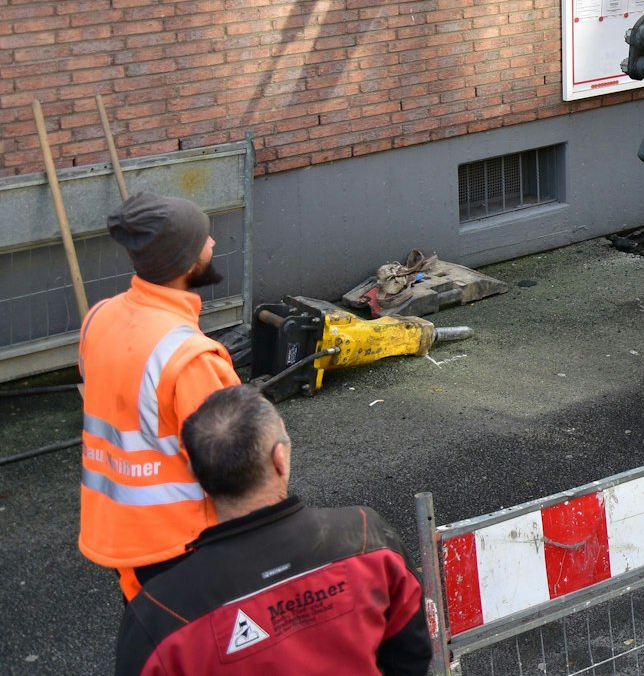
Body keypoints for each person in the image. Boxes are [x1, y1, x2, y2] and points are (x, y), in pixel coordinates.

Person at [115, 386, 431, 675]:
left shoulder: (160, 612)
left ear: (195, 476)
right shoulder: (366, 537)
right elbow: (411, 651)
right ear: (279, 459)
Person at [81, 192, 241, 600]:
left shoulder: (99, 318)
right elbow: (234, 469)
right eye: (205, 239)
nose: (213, 244)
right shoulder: (191, 358)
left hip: (125, 538)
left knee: (151, 648)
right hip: (184, 545)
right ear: (186, 263)